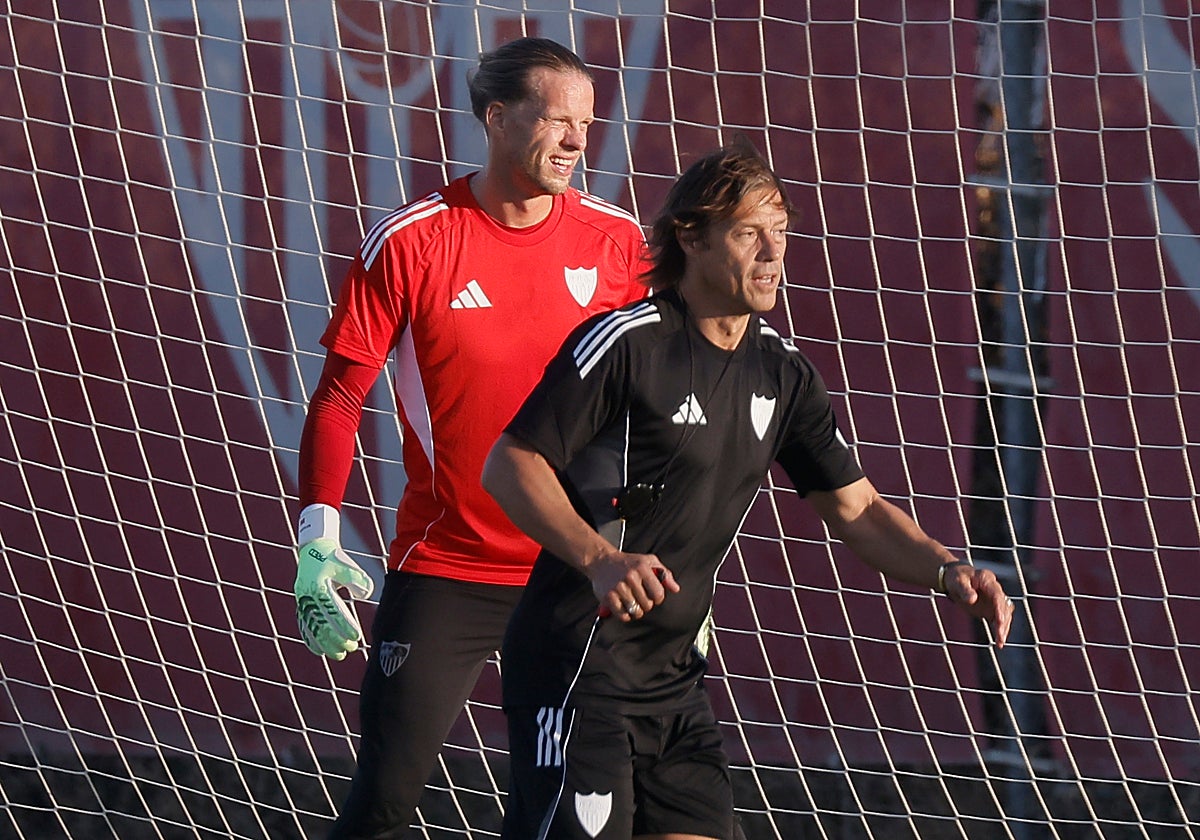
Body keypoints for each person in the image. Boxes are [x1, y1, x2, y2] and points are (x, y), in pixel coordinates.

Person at [481, 140, 1016, 840]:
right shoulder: (627, 342)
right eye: (747, 232)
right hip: (577, 670)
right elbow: (509, 464)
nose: (772, 252)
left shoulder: (783, 373)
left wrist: (947, 569)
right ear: (691, 238)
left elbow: (856, 510)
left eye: (781, 232)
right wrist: (598, 559)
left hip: (674, 683)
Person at [292, 37, 651, 838]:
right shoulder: (413, 241)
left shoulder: (619, 242)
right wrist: (317, 535)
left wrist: (669, 550)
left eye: (585, 125)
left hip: (577, 575)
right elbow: (343, 393)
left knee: (575, 817)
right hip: (447, 566)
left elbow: (653, 407)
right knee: (382, 801)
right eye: (556, 119)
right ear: (494, 117)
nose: (574, 141)